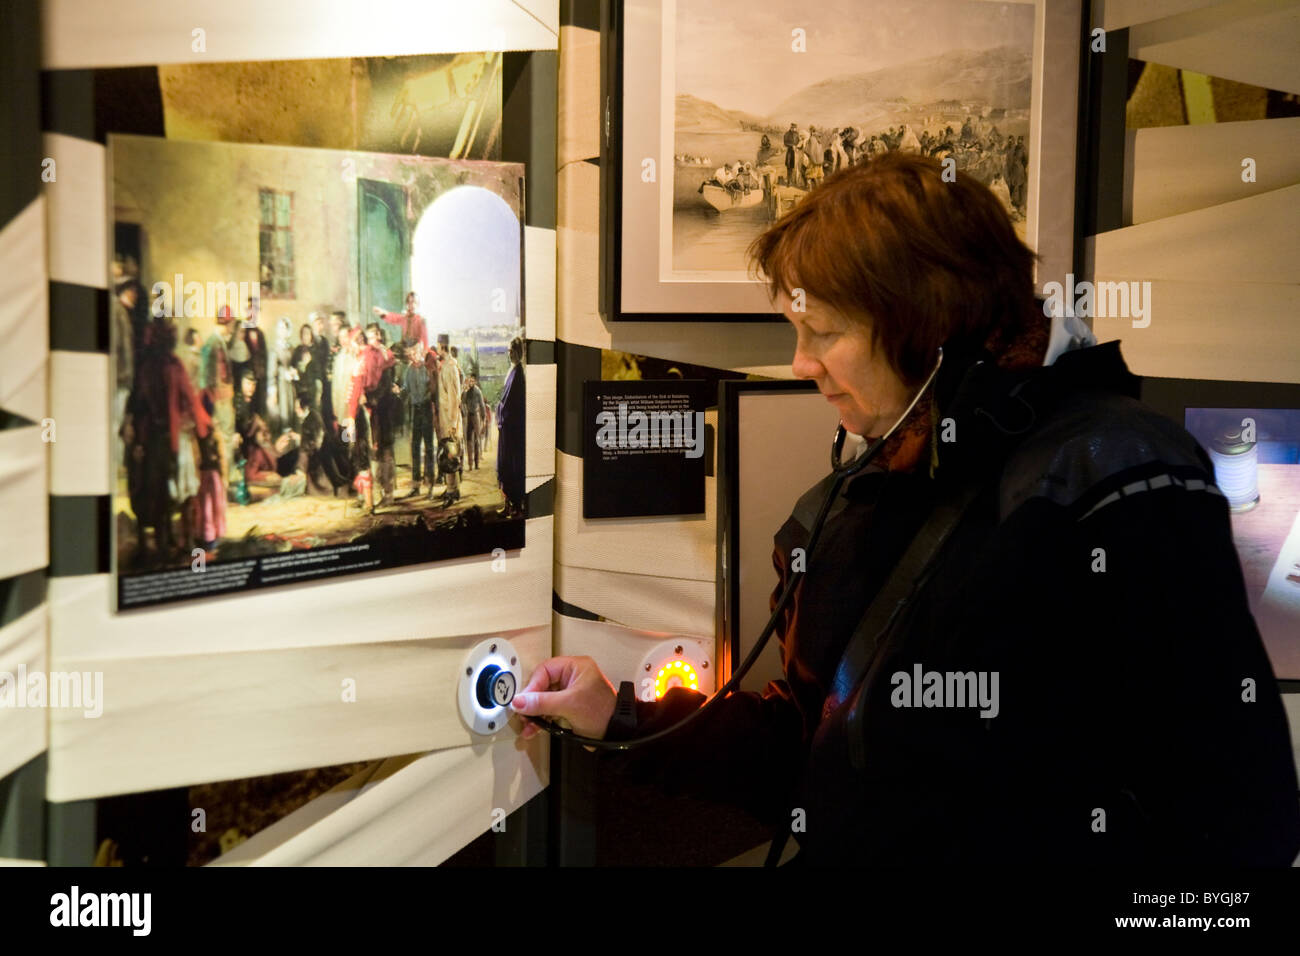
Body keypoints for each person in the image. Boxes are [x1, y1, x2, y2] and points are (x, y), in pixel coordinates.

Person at [509, 151, 1300, 867]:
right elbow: (810, 746)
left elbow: (1231, 821)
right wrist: (620, 717)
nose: (800, 363)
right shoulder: (863, 491)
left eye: (821, 331)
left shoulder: (1120, 477)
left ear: (930, 328)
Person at [494, 337, 525, 518]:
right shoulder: (513, 371)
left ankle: (516, 507)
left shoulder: (517, 373)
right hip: (508, 429)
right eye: (508, 351)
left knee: (512, 467)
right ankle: (509, 505)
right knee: (506, 466)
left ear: (517, 351)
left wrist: (500, 410)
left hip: (512, 430)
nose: (509, 353)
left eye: (511, 350)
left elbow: (510, 403)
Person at [399, 343, 435, 498]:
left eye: (415, 351)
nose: (412, 354)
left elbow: (433, 389)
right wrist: (399, 392)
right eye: (410, 351)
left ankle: (430, 487)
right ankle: (416, 486)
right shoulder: (408, 370)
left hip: (426, 410)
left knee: (428, 448)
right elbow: (405, 389)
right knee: (415, 448)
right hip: (415, 411)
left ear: (420, 351)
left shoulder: (428, 368)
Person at [433, 332, 463, 506]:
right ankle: (452, 488)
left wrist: (452, 423)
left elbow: (454, 397)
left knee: (451, 455)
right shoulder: (445, 366)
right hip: (446, 420)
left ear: (442, 346)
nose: (437, 348)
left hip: (450, 421)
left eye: (437, 346)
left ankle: (452, 492)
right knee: (448, 454)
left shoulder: (450, 367)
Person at [461, 374, 486, 472]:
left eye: (472, 381)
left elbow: (482, 405)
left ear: (475, 382)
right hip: (468, 416)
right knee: (468, 441)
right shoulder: (466, 392)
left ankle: (476, 463)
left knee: (476, 440)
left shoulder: (477, 391)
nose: (470, 383)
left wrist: (483, 418)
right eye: (469, 381)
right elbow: (462, 402)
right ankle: (470, 464)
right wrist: (464, 412)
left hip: (476, 416)